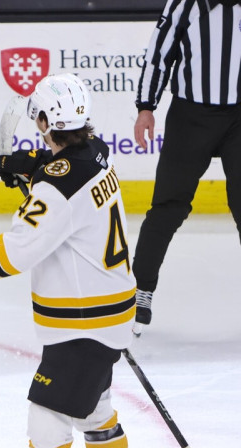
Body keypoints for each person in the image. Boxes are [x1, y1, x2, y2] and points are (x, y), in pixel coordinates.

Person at [0, 73, 135, 448]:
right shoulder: (98, 151)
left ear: (43, 122)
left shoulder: (56, 189)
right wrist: (34, 164)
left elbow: (9, 256)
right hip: (108, 312)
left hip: (83, 325)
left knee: (47, 420)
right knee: (95, 415)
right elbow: (69, 166)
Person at [131, 0, 241, 336]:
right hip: (191, 116)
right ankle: (138, 292)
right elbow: (159, 52)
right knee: (167, 207)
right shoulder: (185, 3)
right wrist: (146, 106)